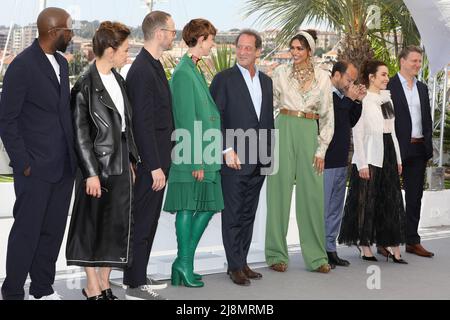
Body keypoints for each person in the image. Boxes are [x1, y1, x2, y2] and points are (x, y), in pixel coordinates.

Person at [0, 7, 76, 300]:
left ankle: (42, 289)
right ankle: (13, 291)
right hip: (35, 168)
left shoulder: (62, 63)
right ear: (54, 32)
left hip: (63, 166)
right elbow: (7, 120)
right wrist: (23, 163)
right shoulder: (22, 65)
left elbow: (63, 113)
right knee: (27, 233)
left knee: (52, 232)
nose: (71, 34)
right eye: (68, 29)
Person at [66, 21, 139, 300]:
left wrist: (132, 160)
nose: (127, 54)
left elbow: (126, 126)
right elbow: (80, 135)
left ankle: (105, 284)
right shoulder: (85, 85)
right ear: (110, 50)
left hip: (121, 163)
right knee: (91, 226)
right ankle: (91, 285)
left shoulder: (119, 80)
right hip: (97, 167)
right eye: (125, 49)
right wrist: (91, 173)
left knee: (115, 227)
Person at [265, 30, 334, 273]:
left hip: (309, 130)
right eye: (292, 48)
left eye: (299, 49)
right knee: (278, 191)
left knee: (313, 194)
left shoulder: (324, 77)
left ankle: (316, 257)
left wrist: (322, 149)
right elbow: (269, 105)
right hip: (284, 126)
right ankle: (276, 255)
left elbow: (327, 115)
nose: (294, 53)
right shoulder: (280, 73)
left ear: (309, 51)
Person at [210, 30, 274, 286]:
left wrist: (268, 156)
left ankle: (243, 261)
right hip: (234, 159)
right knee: (234, 213)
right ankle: (234, 265)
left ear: (258, 51)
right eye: (240, 47)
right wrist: (226, 150)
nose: (243, 51)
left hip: (259, 158)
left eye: (249, 48)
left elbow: (266, 120)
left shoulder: (267, 81)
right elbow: (215, 119)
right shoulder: (223, 79)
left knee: (249, 213)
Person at [163, 18, 223, 288]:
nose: (214, 44)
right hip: (193, 154)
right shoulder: (184, 73)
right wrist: (195, 159)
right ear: (200, 39)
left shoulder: (195, 69)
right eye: (211, 39)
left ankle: (182, 263)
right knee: (187, 207)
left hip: (205, 152)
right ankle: (184, 264)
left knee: (207, 208)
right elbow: (185, 119)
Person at [123, 10, 176, 300]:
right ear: (159, 34)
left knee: (149, 220)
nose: (173, 36)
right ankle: (133, 284)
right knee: (142, 221)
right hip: (150, 163)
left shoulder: (152, 64)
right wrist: (154, 165)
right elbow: (141, 122)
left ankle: (138, 274)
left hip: (158, 161)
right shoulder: (142, 69)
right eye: (171, 31)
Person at [338, 60, 407, 264]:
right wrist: (361, 163)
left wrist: (398, 158)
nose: (387, 78)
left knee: (390, 199)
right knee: (366, 201)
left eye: (387, 75)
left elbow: (392, 130)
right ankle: (364, 243)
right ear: (372, 77)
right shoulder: (364, 99)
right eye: (383, 74)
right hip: (369, 153)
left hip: (388, 154)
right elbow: (357, 134)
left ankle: (391, 243)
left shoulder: (386, 99)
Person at [383, 46, 434, 258]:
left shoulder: (422, 88)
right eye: (414, 60)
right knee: (391, 196)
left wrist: (428, 147)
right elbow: (386, 121)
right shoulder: (389, 87)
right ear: (402, 61)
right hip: (396, 148)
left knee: (415, 196)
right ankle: (385, 241)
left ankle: (412, 241)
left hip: (419, 148)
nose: (417, 64)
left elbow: (427, 118)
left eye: (419, 61)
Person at [323, 61, 365, 267]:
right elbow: (336, 120)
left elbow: (351, 120)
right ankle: (319, 250)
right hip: (326, 160)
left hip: (341, 160)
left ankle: (330, 249)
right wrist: (349, 99)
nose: (351, 84)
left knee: (335, 209)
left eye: (353, 81)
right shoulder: (326, 94)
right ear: (337, 75)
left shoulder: (342, 98)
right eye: (349, 79)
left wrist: (358, 101)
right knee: (323, 208)